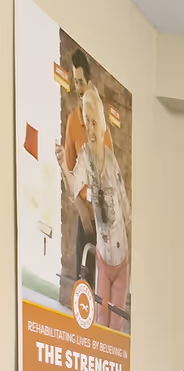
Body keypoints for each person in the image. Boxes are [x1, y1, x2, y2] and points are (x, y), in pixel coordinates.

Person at [61, 78, 131, 330]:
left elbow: (124, 204)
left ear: (101, 124)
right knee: (101, 318)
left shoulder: (111, 160)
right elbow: (73, 186)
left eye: (94, 122)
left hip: (121, 258)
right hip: (103, 255)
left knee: (116, 321)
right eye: (87, 121)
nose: (90, 128)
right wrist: (63, 165)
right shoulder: (84, 156)